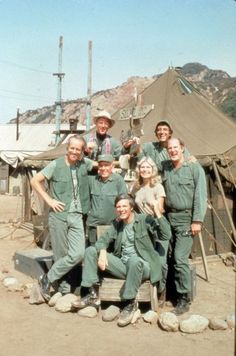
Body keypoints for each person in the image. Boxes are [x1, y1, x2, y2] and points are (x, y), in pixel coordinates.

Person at [72, 194, 171, 327]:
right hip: (123, 266)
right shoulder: (117, 224)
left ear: (131, 207)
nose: (121, 209)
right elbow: (102, 240)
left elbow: (166, 235)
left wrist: (157, 211)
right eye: (118, 207)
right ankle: (92, 295)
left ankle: (130, 303)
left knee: (134, 260)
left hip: (143, 266)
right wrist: (102, 251)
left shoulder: (144, 220)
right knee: (90, 251)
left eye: (124, 206)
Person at [30, 135, 94, 301]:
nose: (74, 151)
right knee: (60, 254)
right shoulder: (56, 164)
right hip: (59, 215)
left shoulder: (83, 163)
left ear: (82, 151)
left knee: (78, 254)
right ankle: (64, 291)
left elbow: (101, 165)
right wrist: (49, 200)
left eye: (78, 149)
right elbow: (35, 180)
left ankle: (47, 279)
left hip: (77, 215)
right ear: (67, 148)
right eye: (72, 148)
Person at [162, 137, 207, 315]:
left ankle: (184, 299)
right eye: (169, 148)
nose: (172, 151)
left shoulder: (194, 168)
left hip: (186, 219)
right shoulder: (166, 167)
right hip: (168, 217)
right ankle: (172, 293)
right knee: (169, 257)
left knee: (180, 258)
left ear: (182, 148)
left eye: (175, 147)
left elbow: (200, 195)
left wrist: (197, 220)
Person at [130, 156, 168, 306]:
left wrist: (155, 207)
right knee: (144, 260)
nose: (145, 170)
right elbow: (132, 206)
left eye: (148, 168)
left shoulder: (158, 187)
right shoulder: (135, 187)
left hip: (157, 226)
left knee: (161, 262)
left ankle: (162, 291)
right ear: (138, 170)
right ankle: (144, 293)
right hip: (142, 228)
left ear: (153, 170)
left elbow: (161, 208)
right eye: (142, 167)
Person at [87, 154, 128, 246]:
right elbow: (82, 162)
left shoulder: (118, 180)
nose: (103, 168)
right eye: (101, 165)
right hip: (94, 224)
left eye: (106, 165)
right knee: (93, 250)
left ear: (112, 166)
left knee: (111, 252)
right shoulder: (92, 180)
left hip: (112, 225)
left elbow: (124, 201)